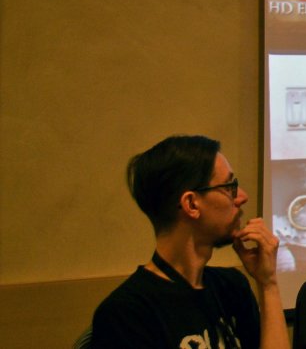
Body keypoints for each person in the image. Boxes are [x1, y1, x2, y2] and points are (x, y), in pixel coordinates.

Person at [90, 135, 288, 348]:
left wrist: (268, 284)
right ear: (192, 204)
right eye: (230, 186)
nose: (242, 197)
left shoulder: (231, 287)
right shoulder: (127, 313)